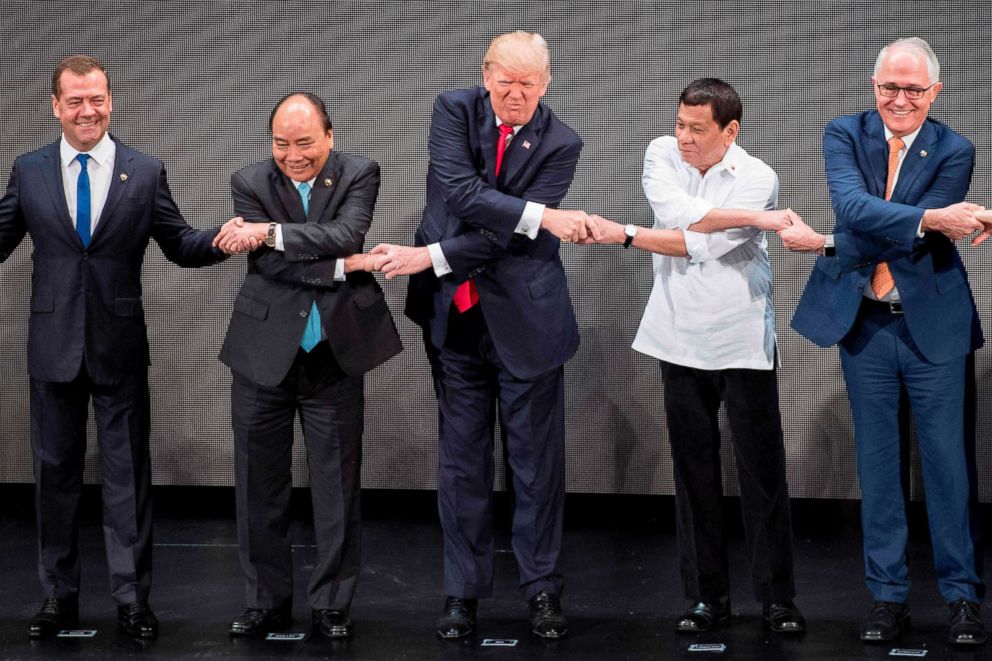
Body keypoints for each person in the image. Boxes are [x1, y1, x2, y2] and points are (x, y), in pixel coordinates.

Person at [368, 31, 603, 640]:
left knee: (535, 467)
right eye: (506, 80)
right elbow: (462, 193)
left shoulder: (562, 143)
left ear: (546, 83)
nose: (516, 93)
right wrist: (541, 216)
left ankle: (543, 591)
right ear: (486, 75)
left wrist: (432, 256)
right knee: (462, 463)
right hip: (455, 321)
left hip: (528, 323)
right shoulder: (453, 110)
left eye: (529, 83)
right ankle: (461, 594)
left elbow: (508, 235)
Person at [0, 55, 236, 639]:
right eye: (76, 100)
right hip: (53, 348)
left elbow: (180, 244)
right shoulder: (30, 171)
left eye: (97, 98)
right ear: (56, 106)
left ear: (111, 100)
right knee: (54, 478)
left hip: (119, 346)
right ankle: (58, 596)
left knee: (128, 476)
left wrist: (228, 238)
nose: (89, 110)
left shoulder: (144, 171)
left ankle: (133, 599)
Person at [784, 37, 987, 646]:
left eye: (913, 90)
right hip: (866, 324)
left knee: (948, 467)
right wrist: (928, 219)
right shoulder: (844, 133)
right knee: (878, 466)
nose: (899, 99)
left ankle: (962, 598)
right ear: (874, 87)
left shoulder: (955, 148)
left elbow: (872, 227)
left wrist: (829, 241)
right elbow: (853, 205)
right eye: (888, 88)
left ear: (935, 93)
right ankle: (888, 597)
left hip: (932, 326)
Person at [588, 78, 805, 635]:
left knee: (762, 476)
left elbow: (698, 242)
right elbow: (676, 212)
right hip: (677, 337)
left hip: (740, 340)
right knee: (693, 473)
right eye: (680, 123)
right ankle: (707, 597)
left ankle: (777, 600)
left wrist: (627, 234)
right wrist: (756, 220)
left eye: (696, 129)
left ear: (729, 131)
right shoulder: (662, 152)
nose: (683, 137)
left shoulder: (758, 176)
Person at [212, 92, 402, 639]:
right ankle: (263, 601)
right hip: (262, 354)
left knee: (337, 486)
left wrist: (272, 233)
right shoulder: (250, 181)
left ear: (329, 136)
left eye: (304, 143)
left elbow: (345, 233)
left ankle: (332, 603)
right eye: (280, 144)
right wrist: (347, 266)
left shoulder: (360, 172)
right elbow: (271, 268)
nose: (292, 155)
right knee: (258, 485)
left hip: (334, 355)